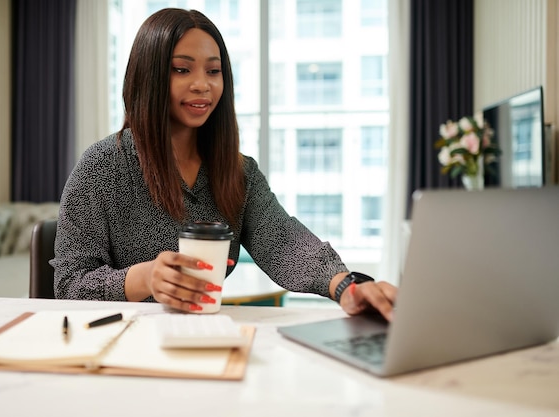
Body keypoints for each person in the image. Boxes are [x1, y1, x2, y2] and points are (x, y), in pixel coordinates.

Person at [52, 8, 397, 320]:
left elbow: (284, 242)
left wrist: (346, 286)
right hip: (116, 348)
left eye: (213, 71)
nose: (202, 84)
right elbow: (69, 284)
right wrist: (144, 278)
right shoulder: (102, 166)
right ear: (149, 77)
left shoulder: (238, 173)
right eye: (182, 69)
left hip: (199, 338)